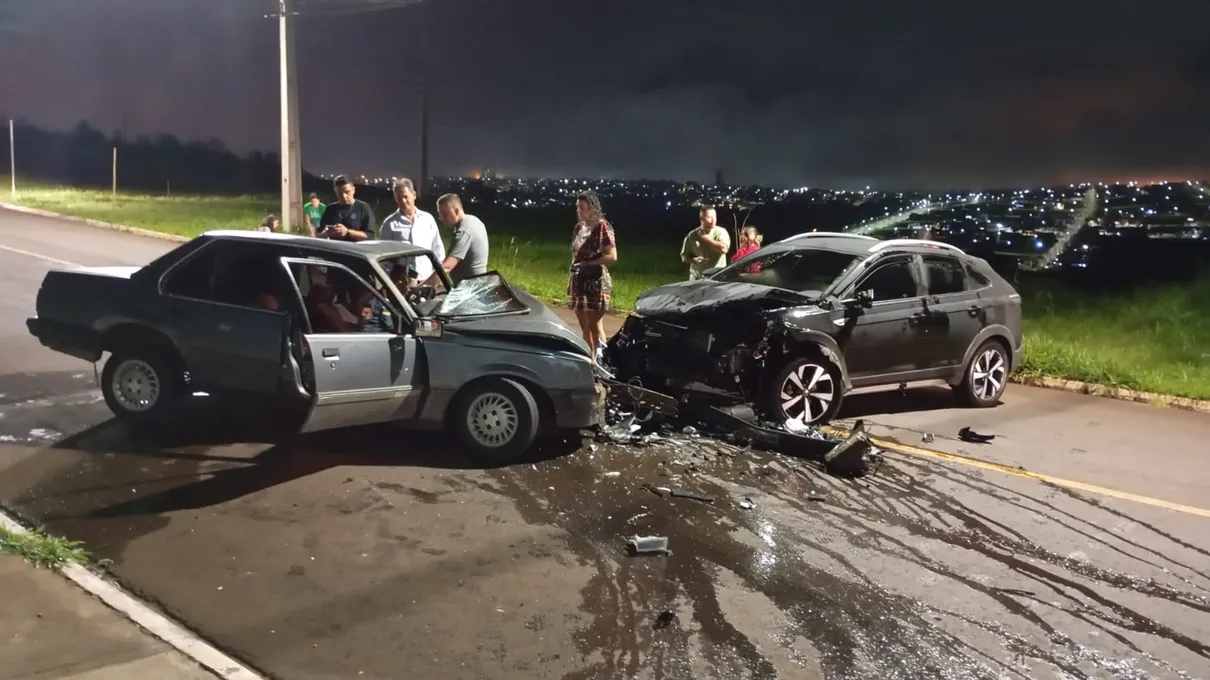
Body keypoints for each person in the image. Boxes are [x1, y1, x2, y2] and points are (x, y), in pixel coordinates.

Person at [566, 190, 617, 365]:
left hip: (595, 282)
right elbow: (575, 255)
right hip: (578, 281)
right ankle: (589, 362)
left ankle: (602, 363)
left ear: (592, 207)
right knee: (584, 326)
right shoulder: (579, 228)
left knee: (595, 326)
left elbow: (612, 256)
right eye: (577, 207)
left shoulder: (602, 227)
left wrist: (589, 264)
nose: (578, 211)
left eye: (582, 207)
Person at [379, 178, 445, 283]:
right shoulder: (389, 224)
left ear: (414, 194)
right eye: (399, 198)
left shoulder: (427, 219)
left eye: (405, 197)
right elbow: (383, 257)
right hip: (402, 281)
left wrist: (437, 274)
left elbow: (438, 248)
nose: (403, 201)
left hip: (427, 278)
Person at [431, 193, 489, 283]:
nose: (441, 218)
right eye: (440, 214)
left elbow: (447, 267)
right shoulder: (474, 220)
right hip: (478, 284)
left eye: (444, 214)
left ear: (456, 211)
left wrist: (423, 286)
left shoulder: (464, 231)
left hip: (470, 289)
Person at [317, 175, 375, 242]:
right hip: (334, 250)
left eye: (347, 192)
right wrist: (326, 233)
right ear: (335, 192)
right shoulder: (330, 209)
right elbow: (318, 235)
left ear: (353, 190)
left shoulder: (363, 208)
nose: (344, 196)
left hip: (355, 250)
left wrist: (348, 232)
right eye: (340, 193)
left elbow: (370, 236)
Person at [680, 206, 730, 280]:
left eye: (715, 217)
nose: (713, 220)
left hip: (717, 277)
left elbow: (724, 250)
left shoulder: (721, 232)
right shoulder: (692, 235)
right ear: (701, 219)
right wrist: (694, 260)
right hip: (697, 277)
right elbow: (684, 257)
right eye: (709, 217)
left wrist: (708, 240)